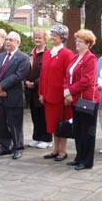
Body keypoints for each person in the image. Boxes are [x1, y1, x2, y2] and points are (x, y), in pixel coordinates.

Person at [64, 29, 100, 171]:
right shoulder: (75, 57)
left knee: (87, 131)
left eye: (80, 41)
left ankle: (87, 161)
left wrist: (69, 90)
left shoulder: (91, 59)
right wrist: (67, 90)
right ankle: (79, 157)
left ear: (88, 44)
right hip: (75, 99)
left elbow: (87, 80)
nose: (77, 43)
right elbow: (67, 76)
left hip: (86, 100)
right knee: (77, 130)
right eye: (76, 40)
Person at [0, 31, 29, 160]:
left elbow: (18, 76)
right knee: (1, 123)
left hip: (13, 96)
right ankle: (5, 146)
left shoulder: (23, 58)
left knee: (15, 124)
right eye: (6, 39)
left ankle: (18, 147)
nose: (7, 42)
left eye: (11, 40)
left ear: (17, 42)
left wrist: (2, 86)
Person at [38, 25, 74, 162]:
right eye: (52, 34)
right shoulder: (48, 53)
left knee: (62, 124)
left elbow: (68, 76)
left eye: (55, 35)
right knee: (53, 124)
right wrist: (41, 93)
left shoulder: (67, 54)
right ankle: (55, 149)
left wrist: (67, 94)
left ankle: (63, 150)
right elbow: (43, 75)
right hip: (48, 96)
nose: (52, 37)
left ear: (62, 37)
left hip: (60, 96)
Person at [25, 29, 52, 149]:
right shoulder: (30, 53)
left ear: (45, 39)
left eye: (40, 38)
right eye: (35, 37)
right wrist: (26, 80)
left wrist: (35, 83)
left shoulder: (48, 53)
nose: (37, 40)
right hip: (30, 90)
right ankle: (36, 137)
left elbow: (47, 73)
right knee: (34, 115)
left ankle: (46, 139)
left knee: (43, 115)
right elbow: (25, 68)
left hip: (41, 89)